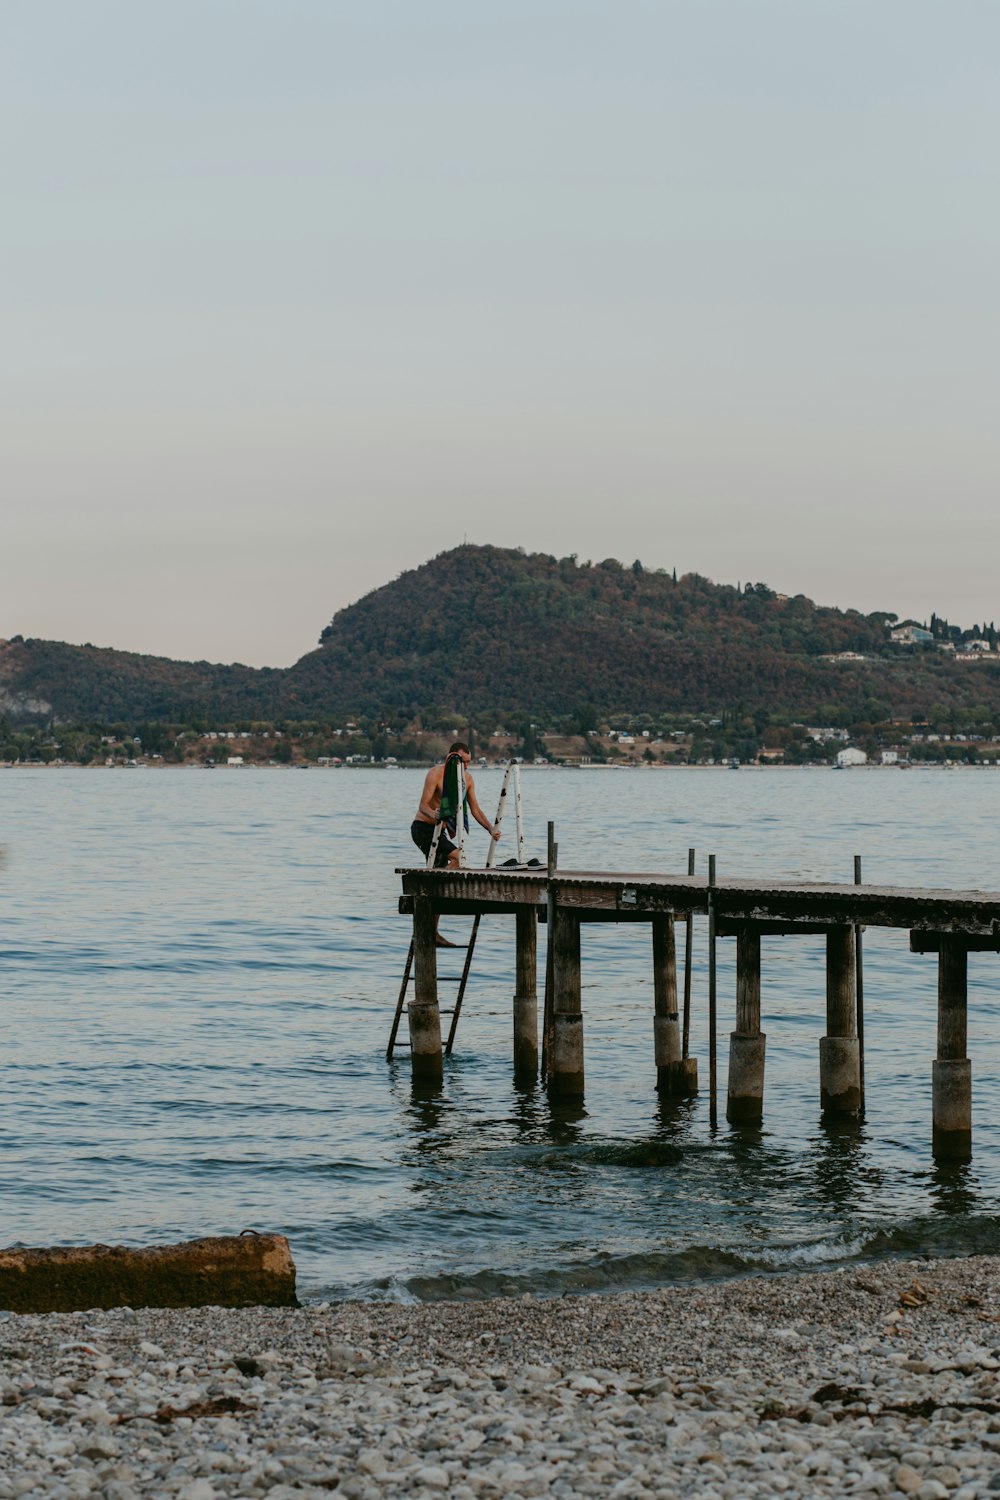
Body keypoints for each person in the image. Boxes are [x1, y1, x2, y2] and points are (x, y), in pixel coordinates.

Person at [411, 742, 501, 943]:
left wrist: (490, 829)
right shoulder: (435, 774)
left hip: (439, 834)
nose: (466, 767)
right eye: (463, 762)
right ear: (452, 758)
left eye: (469, 763)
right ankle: (434, 907)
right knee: (458, 857)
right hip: (423, 828)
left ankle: (431, 927)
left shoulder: (467, 780)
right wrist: (434, 813)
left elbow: (475, 809)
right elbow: (423, 805)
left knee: (438, 874)